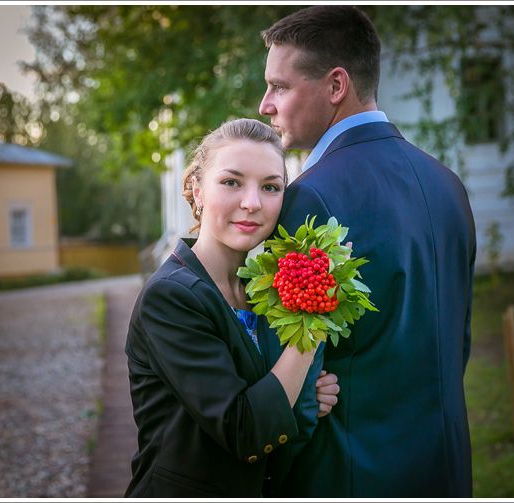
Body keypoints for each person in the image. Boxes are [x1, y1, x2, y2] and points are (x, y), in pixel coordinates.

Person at [257, 5, 476, 498]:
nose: (265, 104)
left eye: (280, 86)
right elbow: (456, 341)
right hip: (445, 468)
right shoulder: (449, 185)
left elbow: (293, 377)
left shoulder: (309, 199)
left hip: (349, 474)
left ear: (336, 86)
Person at [123, 118, 338, 498]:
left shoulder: (261, 294)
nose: (252, 203)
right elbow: (246, 430)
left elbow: (276, 408)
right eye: (231, 182)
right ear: (197, 189)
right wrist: (314, 318)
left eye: (270, 187)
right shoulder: (170, 298)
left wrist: (306, 398)